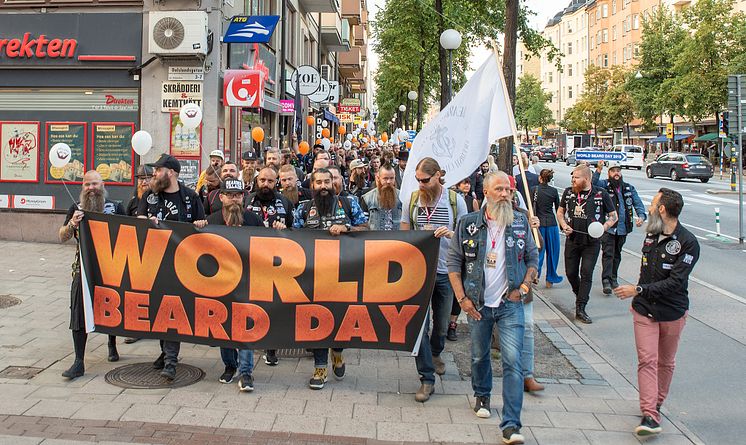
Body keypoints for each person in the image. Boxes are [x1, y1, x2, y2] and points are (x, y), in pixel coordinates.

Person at [447, 171, 538, 445]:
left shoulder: (520, 221)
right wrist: (462, 299)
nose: (505, 194)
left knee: (513, 362)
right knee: (479, 355)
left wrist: (523, 287)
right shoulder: (468, 224)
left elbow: (533, 256)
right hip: (478, 304)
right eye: (499, 189)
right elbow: (454, 263)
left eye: (508, 190)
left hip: (510, 305)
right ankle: (482, 393)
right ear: (485, 192)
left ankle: (511, 424)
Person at [614, 188, 699, 437]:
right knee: (647, 360)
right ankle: (650, 413)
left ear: (662, 209)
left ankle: (658, 401)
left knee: (666, 361)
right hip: (644, 310)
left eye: (653, 204)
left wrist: (637, 289)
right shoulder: (651, 234)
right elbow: (646, 271)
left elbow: (675, 282)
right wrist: (639, 295)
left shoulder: (688, 242)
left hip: (673, 311)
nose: (650, 208)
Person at [293, 168, 368, 390]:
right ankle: (320, 368)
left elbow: (366, 228)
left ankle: (338, 352)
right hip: (314, 276)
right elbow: (292, 237)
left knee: (342, 320)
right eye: (319, 182)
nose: (324, 186)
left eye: (328, 181)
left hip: (345, 275)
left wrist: (347, 228)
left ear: (334, 183)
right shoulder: (303, 208)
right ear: (312, 185)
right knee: (317, 321)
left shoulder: (349, 203)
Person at [400, 157, 468, 402]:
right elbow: (404, 235)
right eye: (418, 180)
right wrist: (418, 236)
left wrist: (450, 234)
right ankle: (426, 378)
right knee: (420, 326)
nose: (421, 184)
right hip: (420, 272)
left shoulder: (455, 201)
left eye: (425, 180)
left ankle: (436, 351)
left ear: (438, 175)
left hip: (447, 271)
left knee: (440, 325)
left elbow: (466, 237)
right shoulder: (412, 200)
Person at [138, 153, 205, 380]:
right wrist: (144, 223)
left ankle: (170, 361)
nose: (155, 174)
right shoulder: (149, 197)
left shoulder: (190, 197)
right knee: (158, 309)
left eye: (158, 170)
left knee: (172, 310)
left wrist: (199, 224)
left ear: (172, 173)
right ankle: (164, 352)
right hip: (154, 263)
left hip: (181, 266)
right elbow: (136, 223)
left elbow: (202, 228)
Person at [195, 179, 264, 391]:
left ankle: (246, 372)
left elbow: (268, 246)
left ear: (243, 198)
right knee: (223, 325)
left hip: (247, 282)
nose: (234, 198)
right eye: (229, 194)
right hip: (220, 282)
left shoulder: (253, 219)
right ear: (221, 197)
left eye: (238, 195)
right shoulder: (212, 220)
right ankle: (230, 366)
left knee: (244, 328)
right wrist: (198, 229)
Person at [59, 170, 125, 379]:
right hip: (83, 268)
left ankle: (112, 343)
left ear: (102, 185)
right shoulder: (75, 208)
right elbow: (62, 236)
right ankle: (79, 361)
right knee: (78, 312)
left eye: (95, 184)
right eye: (87, 185)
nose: (91, 188)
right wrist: (72, 223)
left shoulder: (116, 207)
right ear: (82, 187)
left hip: (111, 268)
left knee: (112, 309)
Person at [557, 166, 617, 324]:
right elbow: (560, 212)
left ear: (586, 179)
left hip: (592, 242)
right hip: (572, 239)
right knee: (570, 273)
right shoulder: (569, 192)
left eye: (576, 177)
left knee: (586, 273)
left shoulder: (600, 193)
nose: (573, 180)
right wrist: (563, 225)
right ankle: (580, 294)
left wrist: (603, 228)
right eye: (573, 177)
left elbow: (613, 216)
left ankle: (581, 307)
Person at [592, 161, 647, 294]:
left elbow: (637, 202)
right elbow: (593, 184)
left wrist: (641, 216)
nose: (616, 173)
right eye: (613, 171)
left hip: (623, 227)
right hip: (608, 226)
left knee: (617, 254)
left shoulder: (628, 188)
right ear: (609, 173)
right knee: (608, 253)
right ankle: (606, 280)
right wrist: (598, 170)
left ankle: (614, 277)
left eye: (618, 170)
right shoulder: (604, 185)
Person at [531, 169, 563, 288]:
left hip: (538, 224)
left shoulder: (534, 190)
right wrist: (562, 226)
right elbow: (559, 209)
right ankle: (551, 278)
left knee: (538, 251)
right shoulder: (554, 191)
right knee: (553, 252)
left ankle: (535, 275)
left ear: (540, 178)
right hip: (551, 223)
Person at [360, 163, 401, 231]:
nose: (388, 182)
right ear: (378, 178)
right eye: (385, 178)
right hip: (376, 239)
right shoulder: (367, 198)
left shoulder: (402, 197)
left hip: (397, 239)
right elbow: (363, 224)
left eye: (391, 178)